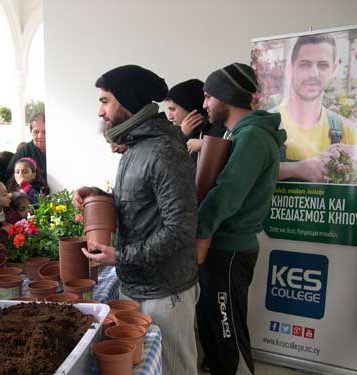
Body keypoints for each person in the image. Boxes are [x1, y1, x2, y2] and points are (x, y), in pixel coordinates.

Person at [74, 65, 199, 375]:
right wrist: (99, 196)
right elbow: (140, 205)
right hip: (139, 284)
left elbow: (180, 229)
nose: (100, 111)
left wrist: (120, 256)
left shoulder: (164, 151)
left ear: (128, 101)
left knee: (174, 370)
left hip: (165, 291)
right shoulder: (136, 147)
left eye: (105, 101)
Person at [195, 63, 286, 375]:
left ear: (225, 96)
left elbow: (226, 195)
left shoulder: (252, 138)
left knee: (226, 332)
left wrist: (195, 230)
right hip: (222, 248)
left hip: (229, 252)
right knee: (214, 328)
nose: (205, 104)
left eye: (208, 97)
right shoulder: (241, 134)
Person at [275, 34, 357, 181]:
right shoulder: (268, 123)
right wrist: (295, 169)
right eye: (305, 64)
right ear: (290, 68)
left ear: (333, 68)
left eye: (323, 65)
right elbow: (245, 174)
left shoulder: (348, 131)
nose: (314, 73)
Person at [166, 79, 227, 162]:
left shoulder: (218, 129)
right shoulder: (181, 133)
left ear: (189, 106)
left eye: (173, 109)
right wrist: (181, 135)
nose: (169, 117)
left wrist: (205, 145)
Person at [6, 112, 47, 184]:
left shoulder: (58, 150)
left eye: (44, 132)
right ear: (31, 131)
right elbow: (9, 179)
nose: (40, 136)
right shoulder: (23, 152)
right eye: (36, 132)